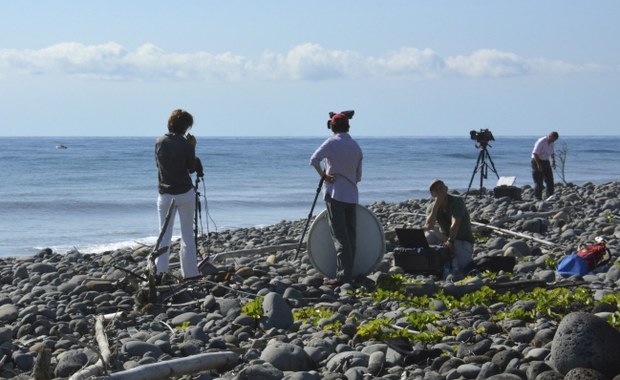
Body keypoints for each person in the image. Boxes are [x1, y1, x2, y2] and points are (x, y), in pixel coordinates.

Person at [310, 112, 363, 285]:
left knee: (340, 236)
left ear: (332, 127)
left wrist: (324, 176)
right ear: (348, 126)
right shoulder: (356, 146)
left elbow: (314, 160)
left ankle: (342, 277)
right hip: (352, 195)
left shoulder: (331, 143)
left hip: (335, 194)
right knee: (351, 235)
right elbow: (358, 177)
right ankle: (349, 273)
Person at [154, 109, 200, 280]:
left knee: (163, 234)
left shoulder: (159, 141)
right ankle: (190, 273)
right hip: (185, 192)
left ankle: (159, 272)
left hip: (165, 193)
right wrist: (192, 147)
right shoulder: (187, 145)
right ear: (186, 127)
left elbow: (158, 165)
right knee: (187, 234)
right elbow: (192, 169)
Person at [424, 179, 475, 275]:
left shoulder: (457, 200)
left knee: (462, 267)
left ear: (446, 188)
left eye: (441, 188)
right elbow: (429, 226)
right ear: (432, 194)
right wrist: (436, 205)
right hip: (445, 238)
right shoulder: (431, 207)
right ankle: (430, 260)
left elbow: (455, 222)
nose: (439, 191)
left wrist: (450, 241)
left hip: (461, 239)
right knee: (429, 234)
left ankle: (448, 257)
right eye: (435, 190)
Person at [531, 131, 559, 200]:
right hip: (537, 160)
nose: (553, 141)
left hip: (546, 161)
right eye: (552, 139)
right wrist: (539, 165)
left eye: (554, 140)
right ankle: (538, 198)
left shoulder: (552, 143)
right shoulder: (541, 141)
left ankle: (549, 196)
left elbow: (552, 153)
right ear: (550, 136)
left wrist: (553, 161)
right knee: (539, 181)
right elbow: (535, 153)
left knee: (550, 180)